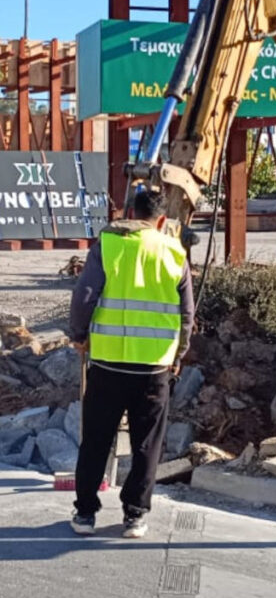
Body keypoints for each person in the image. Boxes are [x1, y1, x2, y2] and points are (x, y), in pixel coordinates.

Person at [67, 188, 195, 538]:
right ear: (162, 220)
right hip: (154, 368)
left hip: (108, 363)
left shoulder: (108, 246)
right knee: (146, 443)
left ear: (130, 212)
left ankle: (85, 515)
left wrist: (78, 335)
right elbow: (187, 315)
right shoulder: (174, 251)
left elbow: (85, 295)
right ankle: (135, 515)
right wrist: (178, 356)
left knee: (95, 439)